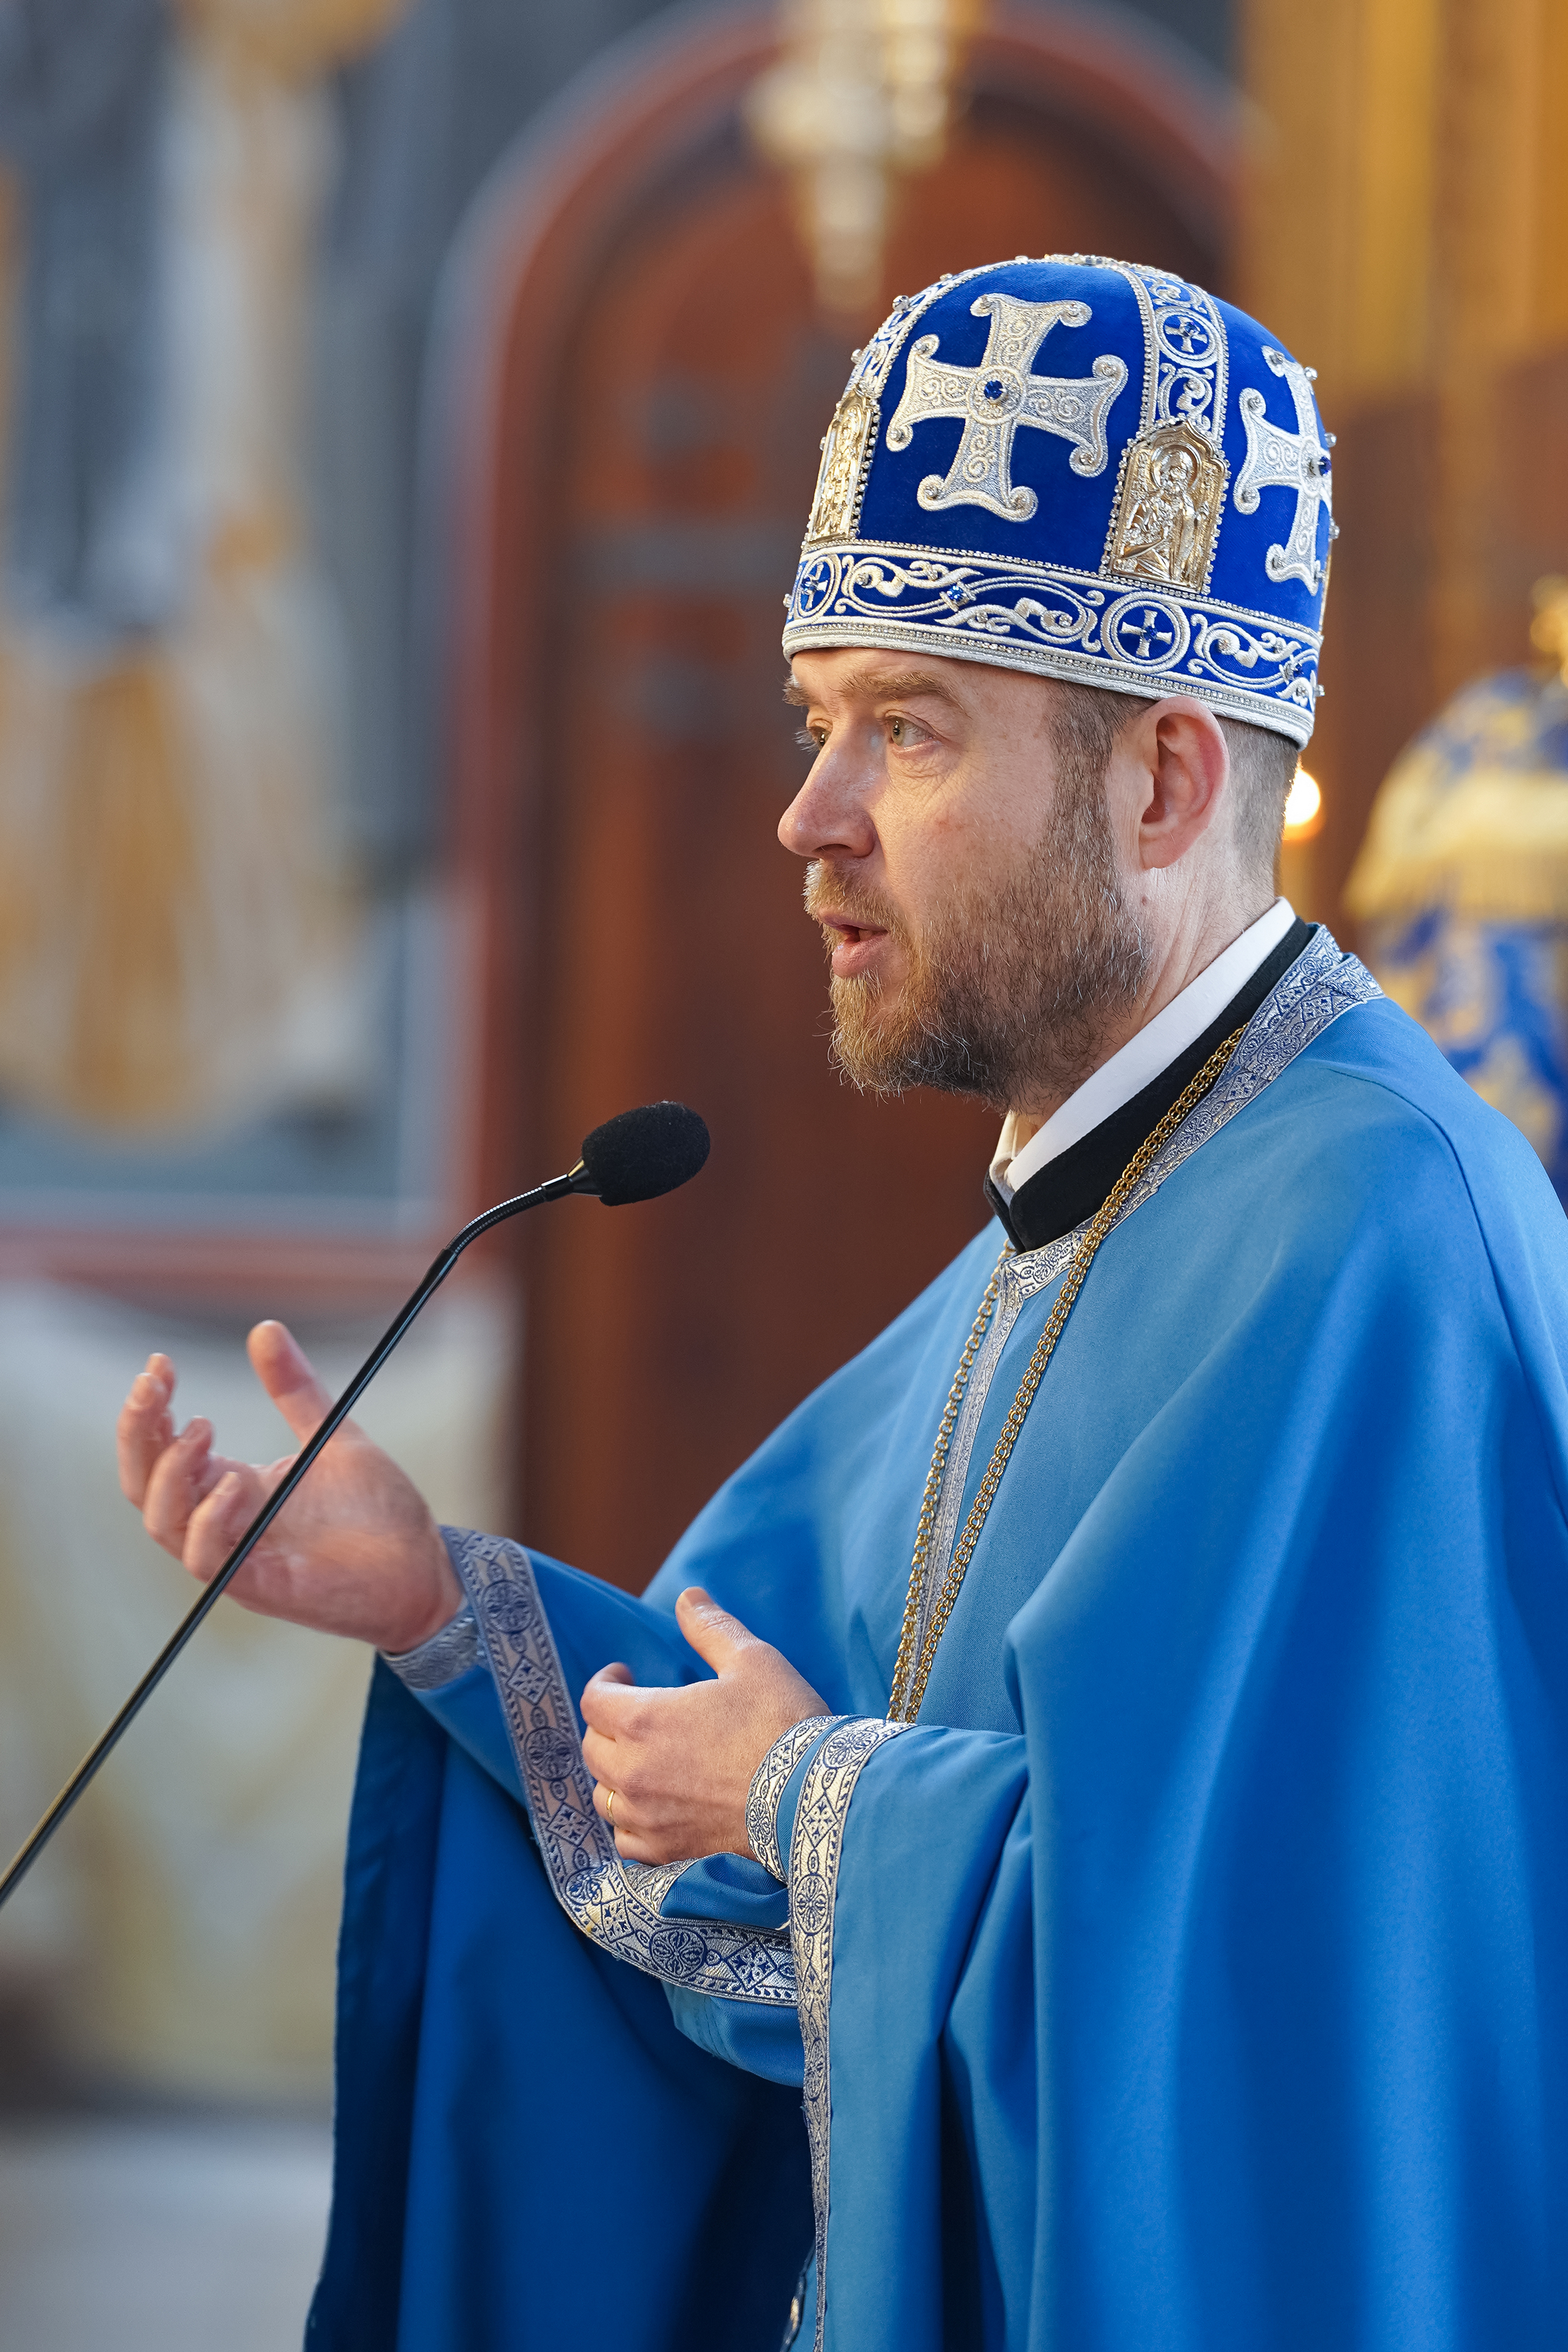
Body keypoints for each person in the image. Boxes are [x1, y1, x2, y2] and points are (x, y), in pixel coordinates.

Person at [117, 258, 1568, 2352]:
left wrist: (808, 1808)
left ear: (1161, 784)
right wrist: (439, 1607)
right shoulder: (1092, 1198)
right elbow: (802, 1708)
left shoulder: (1368, 1241)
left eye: (908, 729)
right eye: (818, 722)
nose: (807, 821)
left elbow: (1288, 2050)